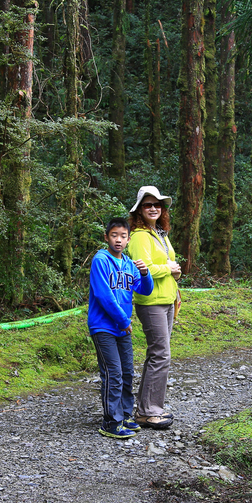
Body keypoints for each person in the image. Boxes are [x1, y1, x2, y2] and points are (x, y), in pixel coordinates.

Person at [88, 216, 153, 439]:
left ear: (128, 239)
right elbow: (104, 295)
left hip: (122, 329)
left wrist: (145, 274)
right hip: (104, 326)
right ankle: (110, 421)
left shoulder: (128, 264)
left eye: (123, 236)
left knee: (126, 372)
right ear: (106, 237)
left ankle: (125, 415)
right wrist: (124, 321)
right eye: (114, 235)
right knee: (113, 373)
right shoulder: (101, 260)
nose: (118, 240)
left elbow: (145, 290)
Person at [126, 186, 182, 429]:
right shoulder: (138, 235)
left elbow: (167, 263)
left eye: (157, 205)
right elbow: (141, 269)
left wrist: (175, 271)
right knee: (161, 355)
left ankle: (146, 407)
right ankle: (148, 411)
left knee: (158, 354)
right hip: (151, 302)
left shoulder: (160, 233)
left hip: (167, 299)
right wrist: (168, 269)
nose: (153, 208)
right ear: (140, 209)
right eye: (148, 205)